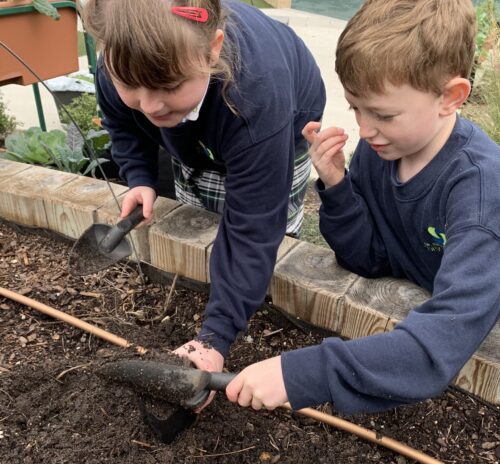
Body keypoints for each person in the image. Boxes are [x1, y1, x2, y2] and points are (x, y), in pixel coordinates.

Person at [226, 0, 500, 414]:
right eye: (356, 107)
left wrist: (301, 373)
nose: (364, 128)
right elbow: (370, 258)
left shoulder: (479, 193)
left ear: (451, 97)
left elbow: (436, 349)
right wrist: (337, 186)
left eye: (383, 114)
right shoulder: (383, 151)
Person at [81, 1, 326, 380]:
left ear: (213, 49)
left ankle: (249, 299)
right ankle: (229, 285)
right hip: (213, 117)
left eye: (167, 86)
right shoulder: (124, 57)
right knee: (204, 208)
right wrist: (140, 177)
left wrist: (215, 338)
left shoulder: (257, 98)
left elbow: (254, 224)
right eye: (130, 86)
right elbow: (122, 121)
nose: (148, 105)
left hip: (282, 122)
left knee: (263, 235)